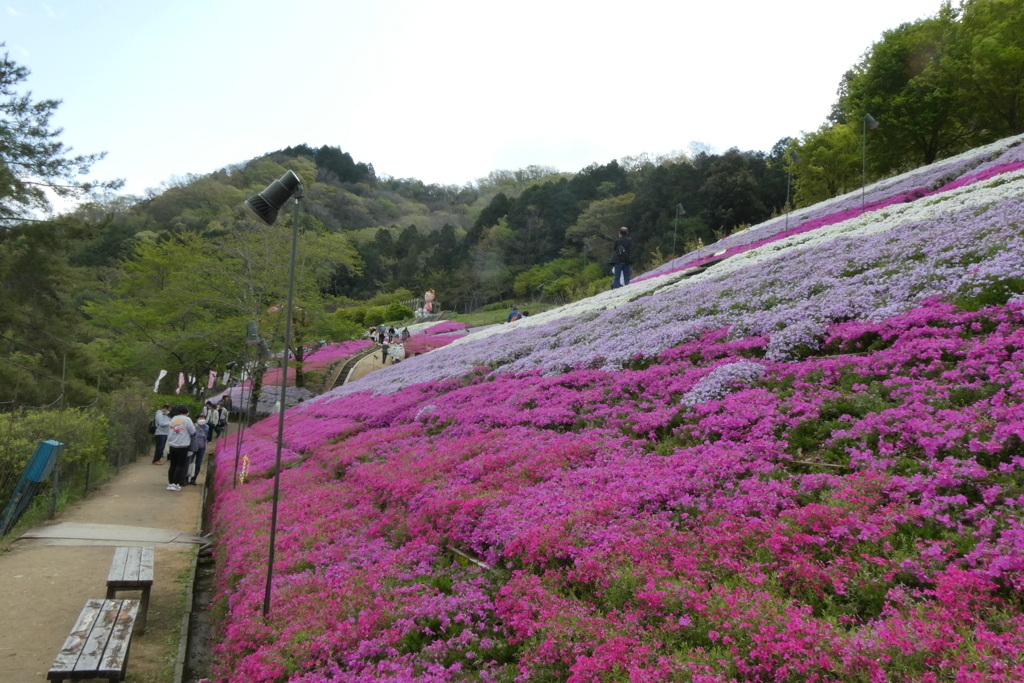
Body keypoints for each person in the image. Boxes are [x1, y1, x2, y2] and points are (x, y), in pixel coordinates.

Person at [166, 405, 195, 490]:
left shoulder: (174, 419)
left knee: (173, 465)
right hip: (182, 445)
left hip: (172, 444)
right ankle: (176, 483)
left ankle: (170, 483)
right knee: (181, 465)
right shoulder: (187, 419)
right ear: (186, 412)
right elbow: (192, 431)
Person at [188, 416, 209, 486]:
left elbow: (205, 435)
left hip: (201, 447)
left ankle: (194, 479)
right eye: (200, 418)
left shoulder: (206, 427)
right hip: (193, 447)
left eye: (203, 418)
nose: (202, 420)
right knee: (189, 462)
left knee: (198, 463)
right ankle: (186, 477)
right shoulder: (193, 426)